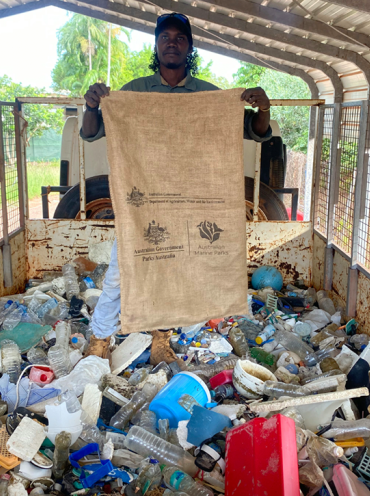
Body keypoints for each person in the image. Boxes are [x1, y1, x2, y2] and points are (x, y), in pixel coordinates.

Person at [81, 13, 272, 363]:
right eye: (165, 37)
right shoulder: (134, 92)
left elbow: (254, 131)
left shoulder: (210, 96)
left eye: (179, 37)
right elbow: (92, 132)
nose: (172, 42)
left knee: (175, 271)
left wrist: (263, 107)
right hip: (144, 205)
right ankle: (99, 340)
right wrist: (92, 105)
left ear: (190, 46)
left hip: (191, 206)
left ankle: (161, 341)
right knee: (120, 271)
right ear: (156, 45)